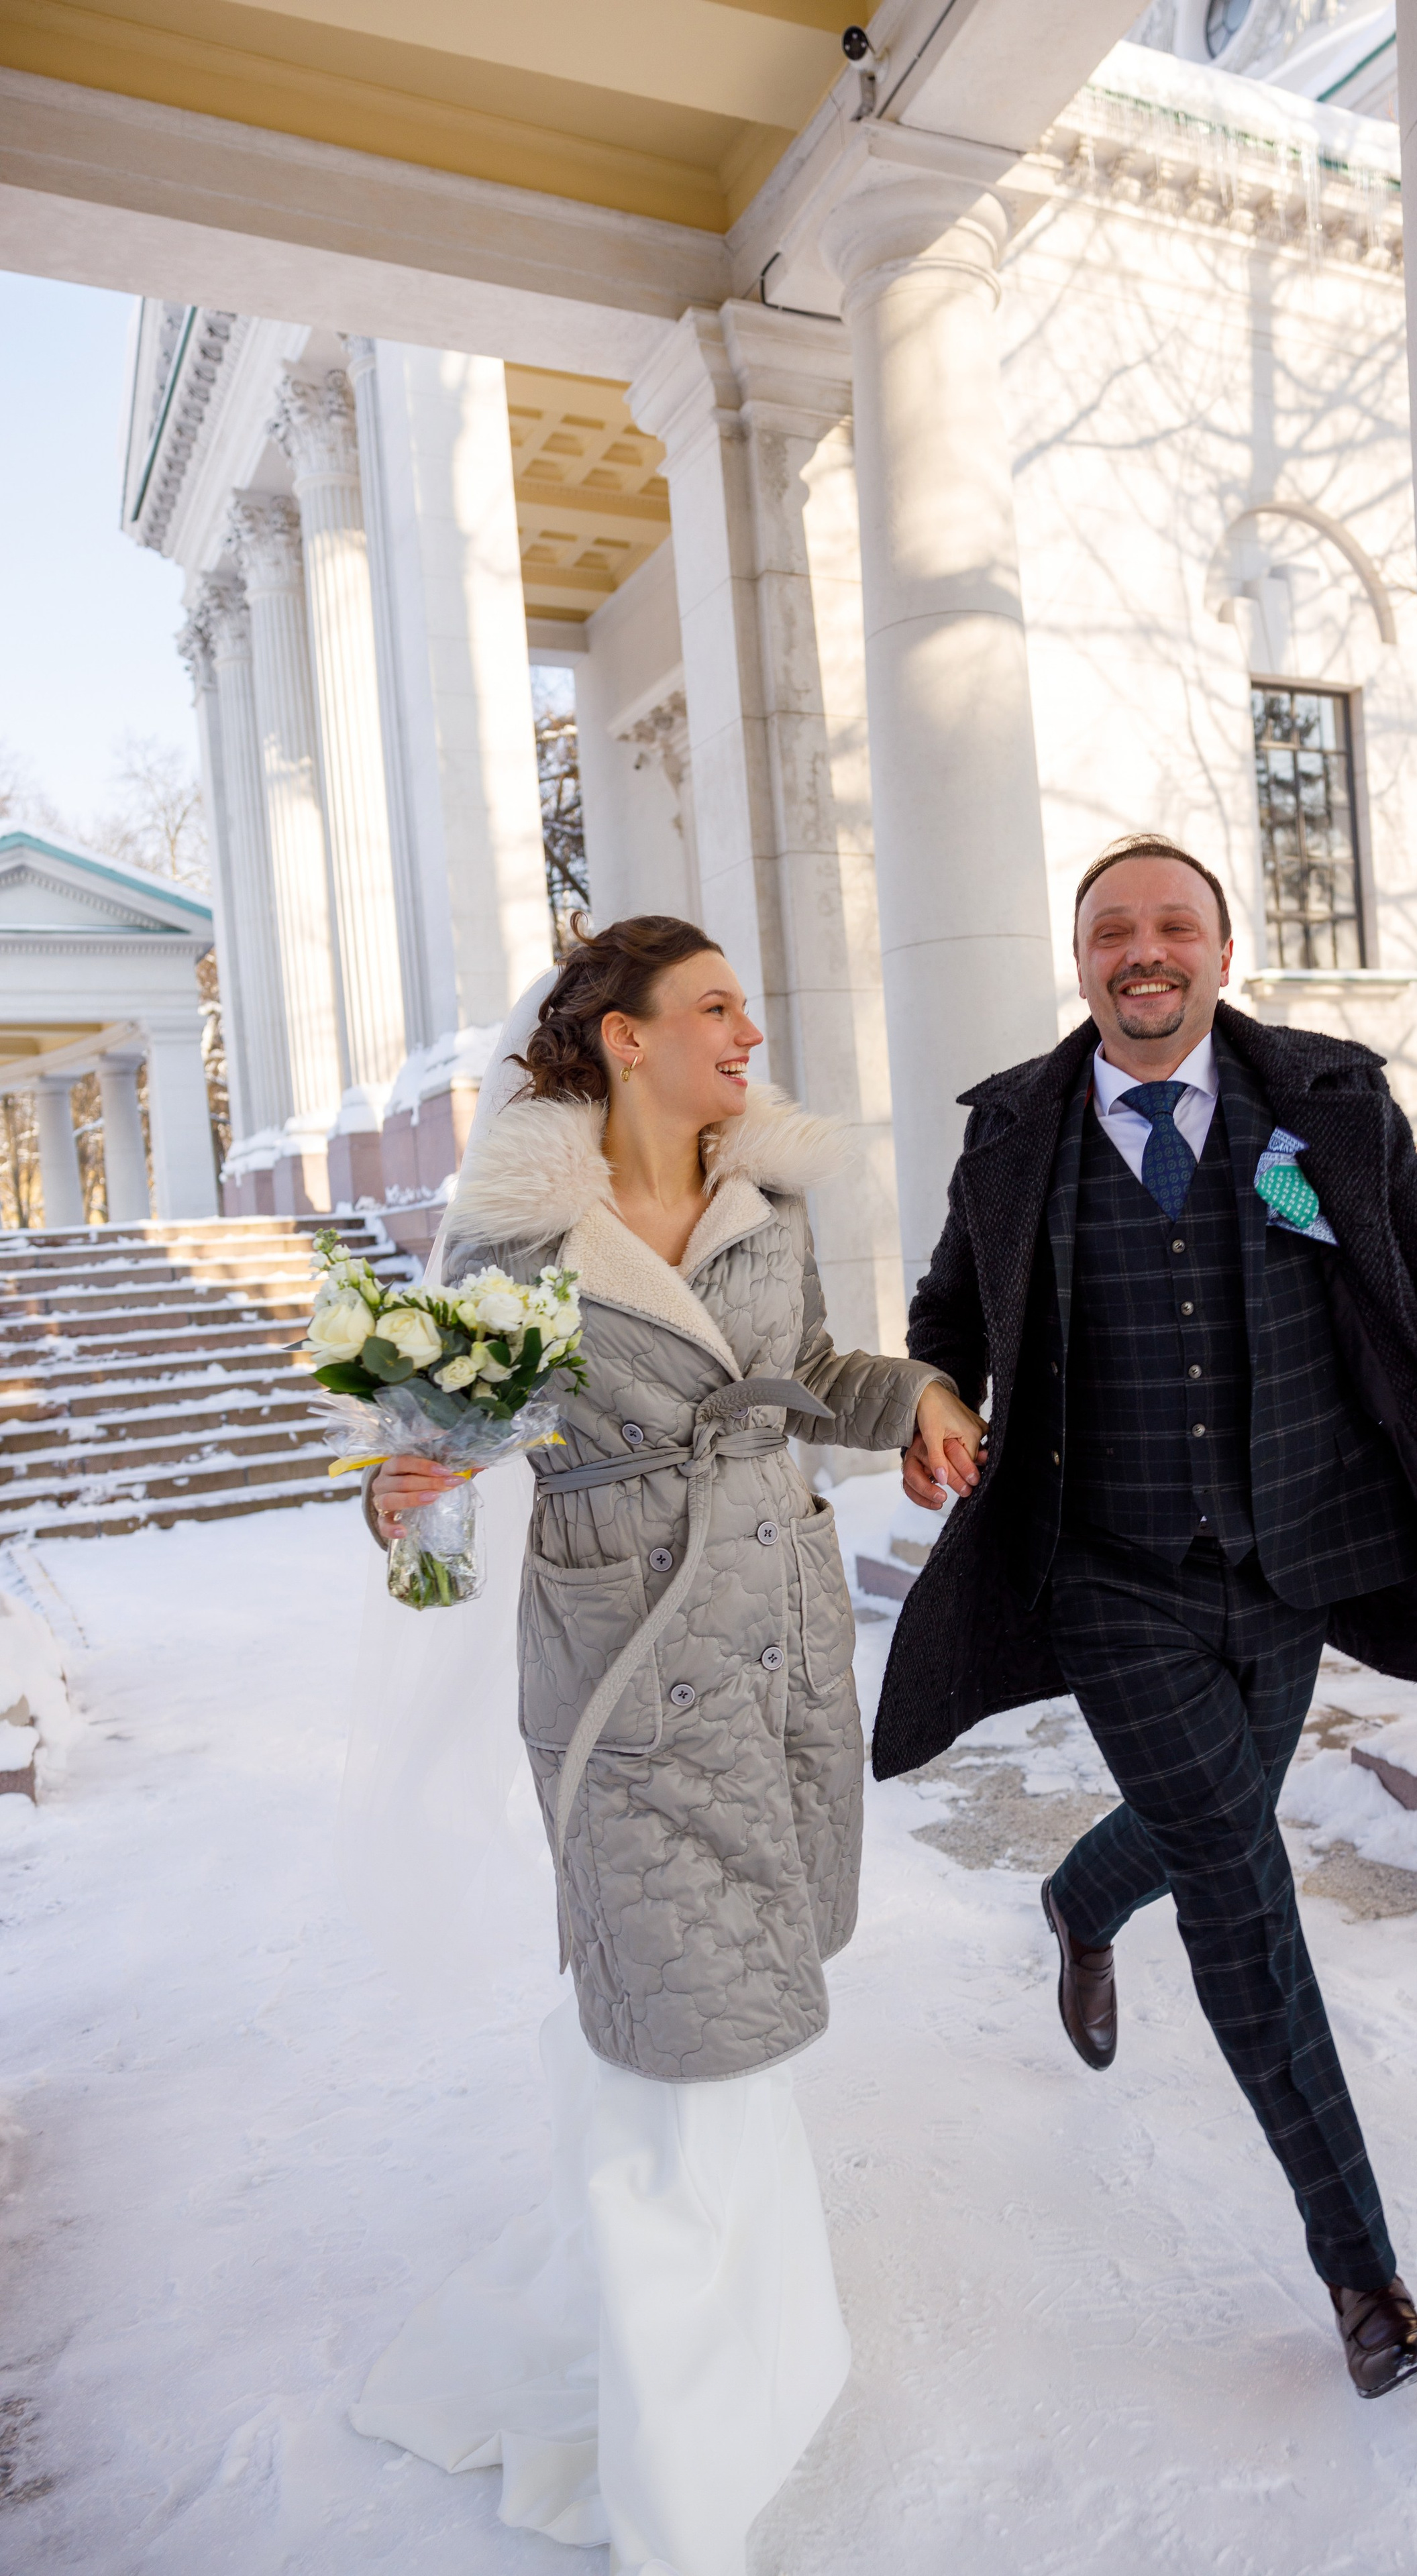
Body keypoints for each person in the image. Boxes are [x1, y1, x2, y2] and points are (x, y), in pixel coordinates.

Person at [878, 832, 1417, 2400]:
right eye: (1110, 934)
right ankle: (1360, 2271)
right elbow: (946, 1318)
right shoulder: (1013, 1132)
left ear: (1219, 950)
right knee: (1236, 1874)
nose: (1141, 955)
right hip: (1102, 1570)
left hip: (1296, 1559)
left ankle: (1079, 1901)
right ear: (1079, 961)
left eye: (1171, 928)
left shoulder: (1325, 1100)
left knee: (1209, 1813)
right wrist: (934, 1396)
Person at [348, 914, 985, 2572]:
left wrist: (908, 1396)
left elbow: (808, 1372)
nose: (747, 1034)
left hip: (773, 1639)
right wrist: (406, 1486)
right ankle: (683, 2465)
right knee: (673, 2028)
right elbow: (431, 1448)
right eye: (713, 1008)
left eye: (746, 1008)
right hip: (624, 1667)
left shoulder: (770, 1203)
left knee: (739, 2011)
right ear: (623, 1039)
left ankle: (757, 2360)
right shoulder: (508, 1241)